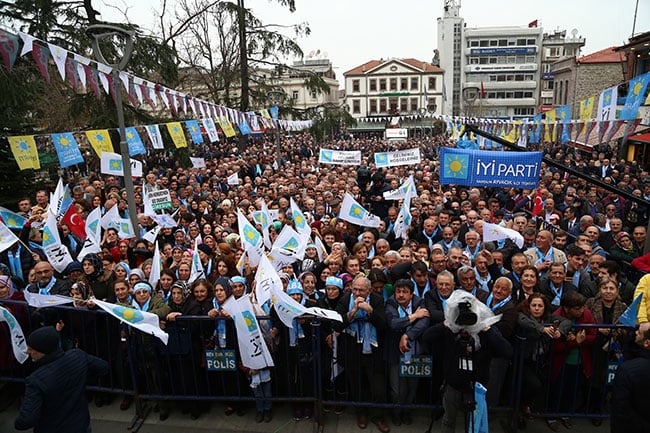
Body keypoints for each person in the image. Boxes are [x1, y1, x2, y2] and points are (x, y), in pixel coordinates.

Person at [14, 326, 109, 433]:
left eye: (31, 349)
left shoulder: (35, 381)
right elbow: (103, 367)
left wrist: (18, 422)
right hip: (81, 425)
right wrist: (82, 379)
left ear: (43, 351)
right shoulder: (77, 356)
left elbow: (26, 420)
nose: (27, 351)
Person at [611, 322, 650, 433]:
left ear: (647, 343)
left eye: (639, 332)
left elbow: (620, 408)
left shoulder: (627, 369)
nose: (635, 332)